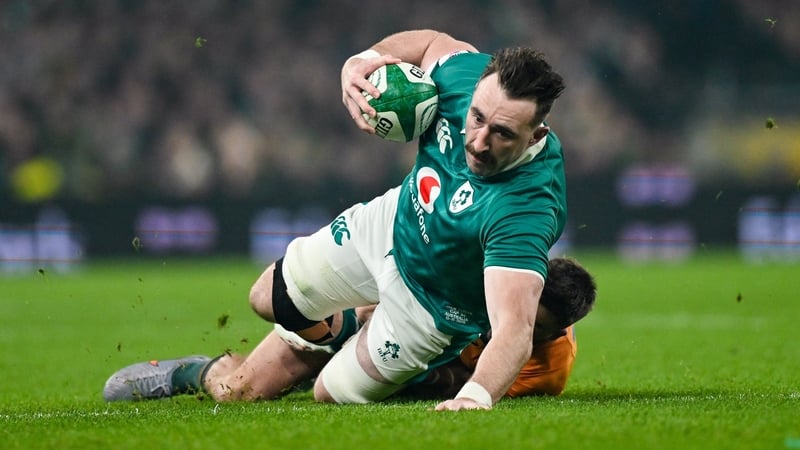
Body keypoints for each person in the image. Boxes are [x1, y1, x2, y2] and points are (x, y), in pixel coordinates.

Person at [104, 29, 569, 411]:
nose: (479, 141)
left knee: (318, 393)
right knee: (264, 298)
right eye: (476, 118)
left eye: (502, 133)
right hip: (391, 225)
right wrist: (363, 61)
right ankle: (346, 326)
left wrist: (474, 397)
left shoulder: (529, 206)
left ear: (537, 135)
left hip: (428, 311)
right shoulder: (467, 77)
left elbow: (514, 330)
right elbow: (432, 43)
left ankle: (201, 372)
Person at [103, 257, 596, 402]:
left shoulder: (548, 369)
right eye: (519, 305)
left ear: (560, 331)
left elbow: (460, 386)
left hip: (406, 363)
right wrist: (360, 321)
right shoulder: (490, 271)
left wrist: (420, 372)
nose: (515, 320)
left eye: (534, 326)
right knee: (238, 393)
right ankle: (191, 371)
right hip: (365, 317)